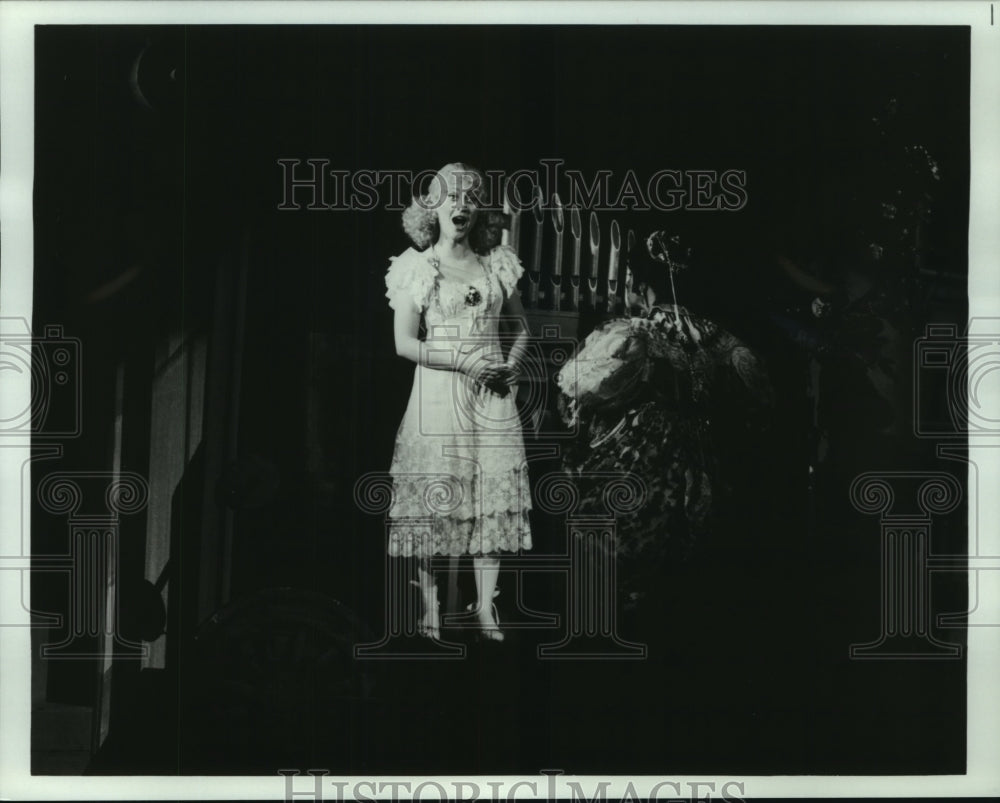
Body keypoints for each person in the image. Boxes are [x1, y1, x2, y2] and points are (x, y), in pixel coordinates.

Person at [383, 162, 532, 642]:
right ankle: (430, 610)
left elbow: (521, 327)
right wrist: (464, 363)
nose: (460, 205)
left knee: (491, 497)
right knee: (435, 499)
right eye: (450, 196)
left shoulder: (497, 263)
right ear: (432, 207)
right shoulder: (416, 266)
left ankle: (486, 607)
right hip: (439, 393)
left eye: (469, 196)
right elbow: (404, 343)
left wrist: (510, 363)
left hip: (491, 394)